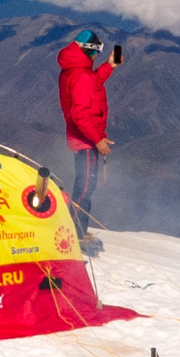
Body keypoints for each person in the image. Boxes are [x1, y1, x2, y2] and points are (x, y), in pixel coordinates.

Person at [57, 28, 123, 251]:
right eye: (98, 51)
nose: (98, 56)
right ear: (90, 51)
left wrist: (110, 66)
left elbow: (92, 84)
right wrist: (98, 140)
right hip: (85, 140)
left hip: (81, 139)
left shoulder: (74, 70)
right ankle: (75, 236)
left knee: (84, 184)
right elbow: (81, 114)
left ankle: (77, 230)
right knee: (85, 186)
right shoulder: (82, 75)